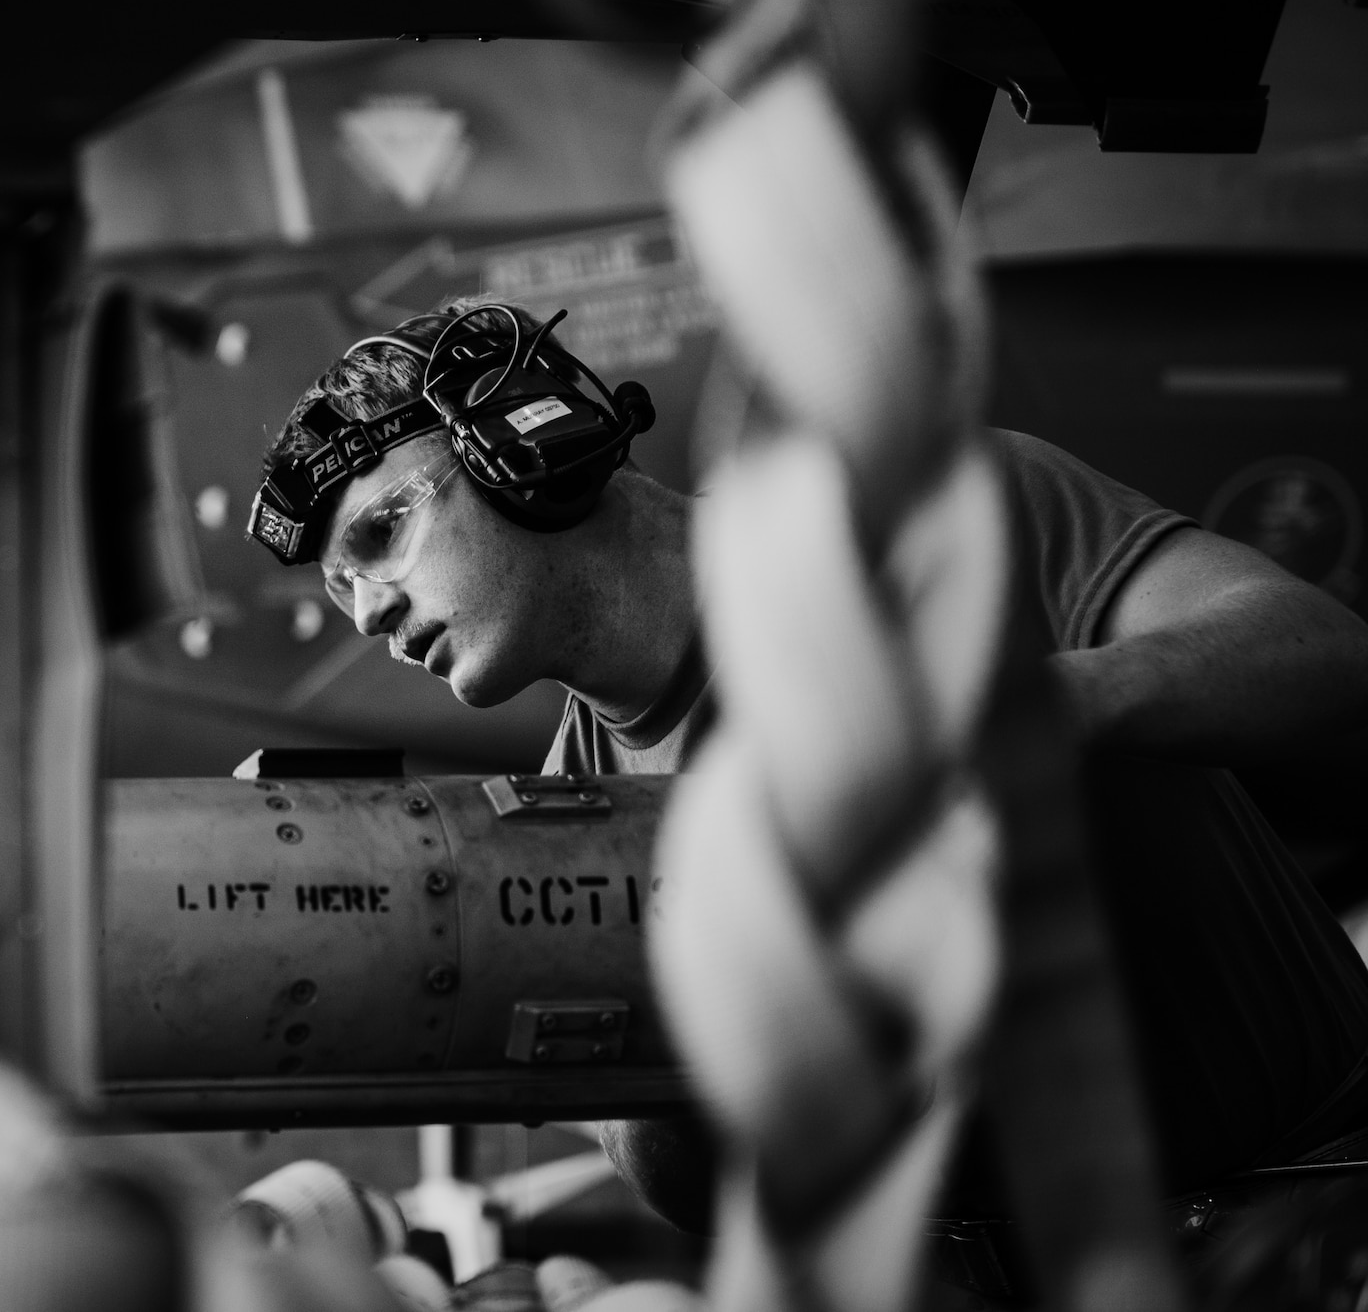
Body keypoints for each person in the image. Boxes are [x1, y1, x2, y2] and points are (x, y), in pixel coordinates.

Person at [248, 299, 1368, 1233]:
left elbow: (1326, 657)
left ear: (516, 434)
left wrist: (1042, 707)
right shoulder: (572, 822)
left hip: (1317, 1215)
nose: (367, 611)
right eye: (340, 591)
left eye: (378, 533)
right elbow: (684, 1189)